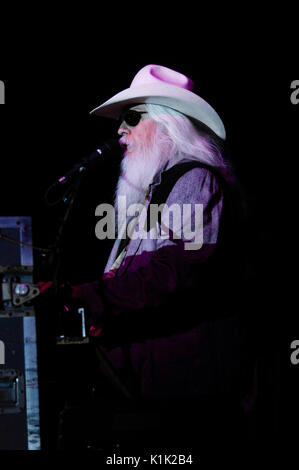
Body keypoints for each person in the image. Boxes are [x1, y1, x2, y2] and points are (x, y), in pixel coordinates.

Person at [68, 65, 255, 448]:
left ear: (168, 124)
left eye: (132, 119)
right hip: (146, 388)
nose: (120, 131)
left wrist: (84, 297)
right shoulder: (157, 189)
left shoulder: (194, 180)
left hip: (183, 398)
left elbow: (172, 272)